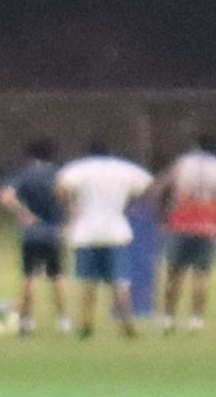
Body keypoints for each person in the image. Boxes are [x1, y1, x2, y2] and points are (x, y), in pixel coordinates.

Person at [52, 135, 150, 337]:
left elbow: (60, 185)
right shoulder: (124, 169)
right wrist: (128, 203)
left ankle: (87, 325)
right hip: (116, 231)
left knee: (89, 281)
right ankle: (127, 325)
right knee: (120, 282)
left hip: (86, 232)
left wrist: (72, 206)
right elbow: (147, 184)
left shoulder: (80, 168)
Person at [154, 133, 216, 329]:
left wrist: (162, 214)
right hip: (208, 225)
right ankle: (196, 319)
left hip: (181, 223)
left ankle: (168, 318)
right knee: (201, 274)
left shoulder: (183, 163)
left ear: (196, 146)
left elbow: (163, 187)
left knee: (174, 273)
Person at [0, 142, 66, 336]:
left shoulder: (24, 174)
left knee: (29, 277)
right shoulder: (58, 174)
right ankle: (63, 320)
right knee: (56, 276)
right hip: (52, 232)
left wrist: (23, 212)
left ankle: (27, 320)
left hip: (30, 233)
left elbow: (4, 196)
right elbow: (67, 195)